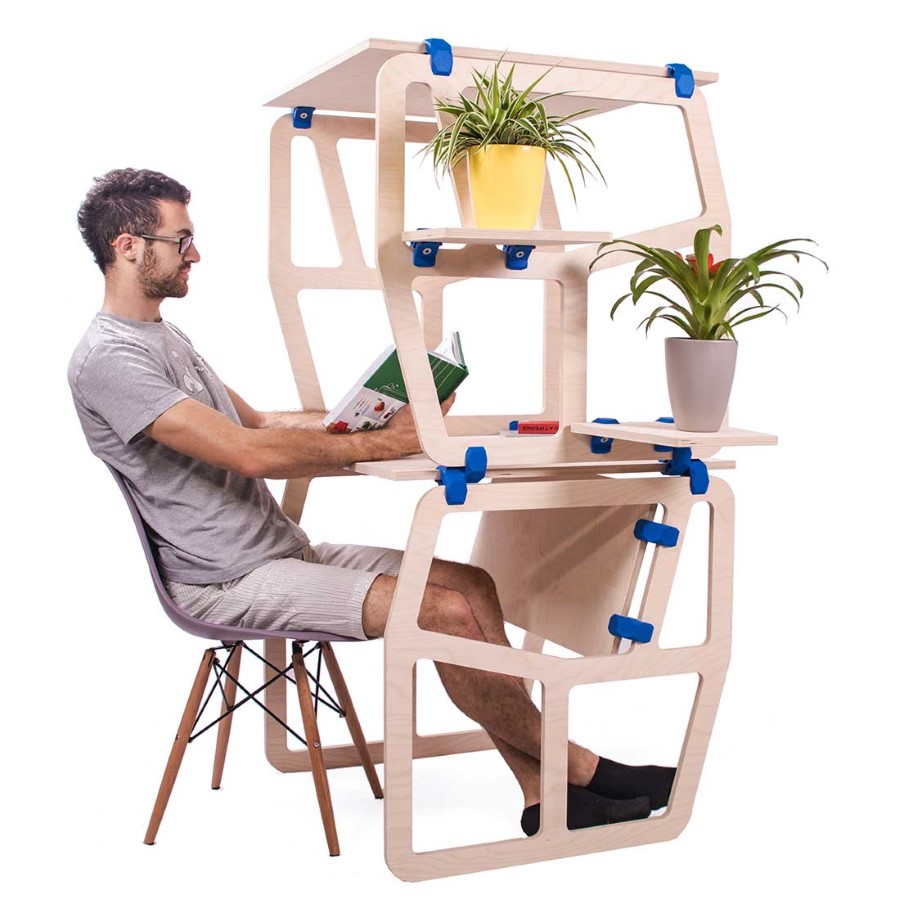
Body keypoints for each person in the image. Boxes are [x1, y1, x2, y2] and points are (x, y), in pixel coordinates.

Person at [69, 168, 674, 836]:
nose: (196, 254)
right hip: (225, 582)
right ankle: (584, 769)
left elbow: (263, 423)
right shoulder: (109, 360)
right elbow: (248, 453)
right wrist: (389, 444)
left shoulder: (165, 337)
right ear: (129, 246)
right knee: (444, 613)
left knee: (471, 586)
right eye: (181, 240)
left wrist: (370, 415)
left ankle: (542, 794)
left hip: (283, 554)